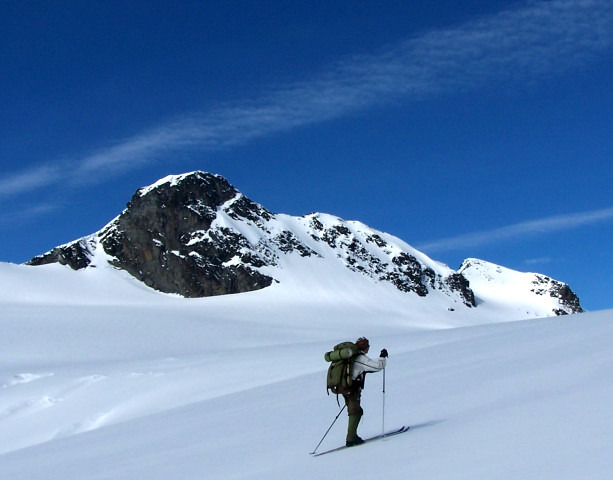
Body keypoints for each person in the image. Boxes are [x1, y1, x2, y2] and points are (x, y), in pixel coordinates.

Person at [342, 337, 388, 446]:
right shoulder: (360, 358)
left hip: (344, 388)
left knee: (355, 410)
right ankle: (351, 439)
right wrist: (382, 357)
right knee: (355, 412)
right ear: (365, 348)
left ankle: (352, 436)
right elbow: (378, 367)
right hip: (352, 389)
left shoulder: (349, 357)